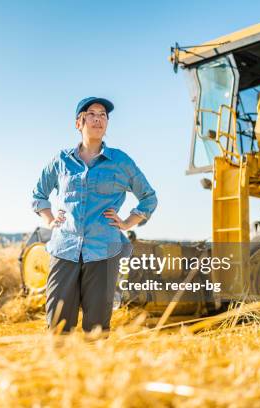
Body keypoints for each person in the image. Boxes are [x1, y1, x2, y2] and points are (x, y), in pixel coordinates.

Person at [31, 96, 158, 334]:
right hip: (64, 249)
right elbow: (39, 194)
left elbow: (149, 197)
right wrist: (49, 219)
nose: (98, 119)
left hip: (103, 252)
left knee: (97, 329)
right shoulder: (61, 161)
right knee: (58, 326)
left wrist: (128, 222)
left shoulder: (120, 161)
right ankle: (60, 370)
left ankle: (95, 370)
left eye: (103, 115)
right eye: (92, 114)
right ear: (79, 123)